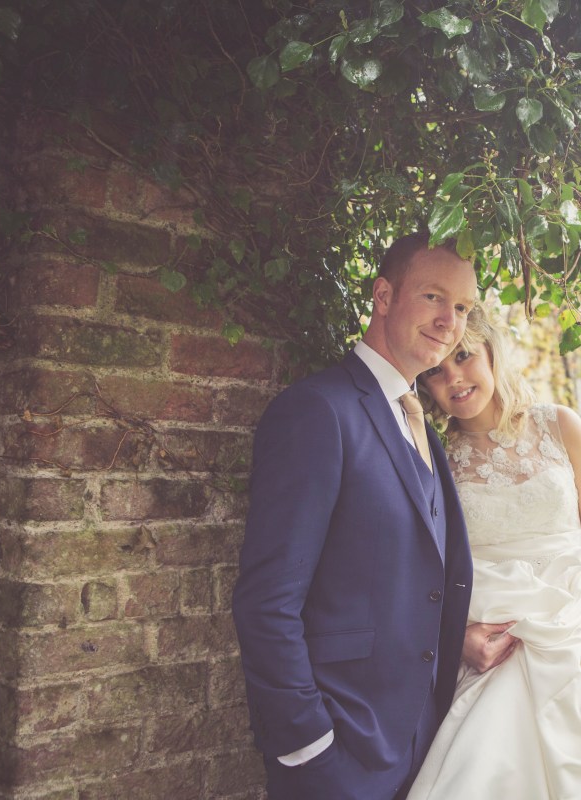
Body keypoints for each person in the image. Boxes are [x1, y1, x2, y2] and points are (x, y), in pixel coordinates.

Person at [232, 232, 505, 800]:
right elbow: (267, 602)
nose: (449, 321)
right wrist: (308, 745)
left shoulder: (423, 427)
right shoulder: (318, 410)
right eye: (433, 297)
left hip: (423, 749)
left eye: (462, 307)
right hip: (338, 756)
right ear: (383, 296)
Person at [408, 307, 581, 799]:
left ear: (491, 352)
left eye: (464, 356)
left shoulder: (560, 425)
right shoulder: (433, 459)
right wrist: (456, 638)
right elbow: (425, 573)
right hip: (502, 634)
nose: (453, 377)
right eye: (437, 370)